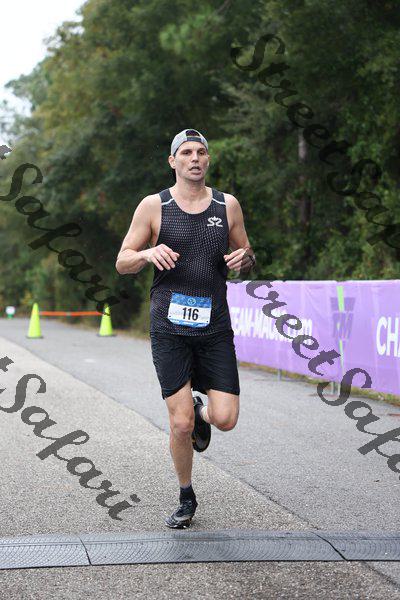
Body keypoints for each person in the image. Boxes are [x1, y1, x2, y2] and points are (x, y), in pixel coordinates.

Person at [115, 129, 256, 528]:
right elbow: (122, 261)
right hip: (169, 329)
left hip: (214, 328)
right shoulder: (154, 206)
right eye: (187, 152)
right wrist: (146, 253)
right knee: (180, 424)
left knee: (225, 418)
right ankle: (186, 494)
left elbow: (247, 254)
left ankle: (201, 411)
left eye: (201, 152)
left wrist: (245, 260)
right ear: (173, 161)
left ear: (208, 159)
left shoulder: (227, 205)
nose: (195, 158)